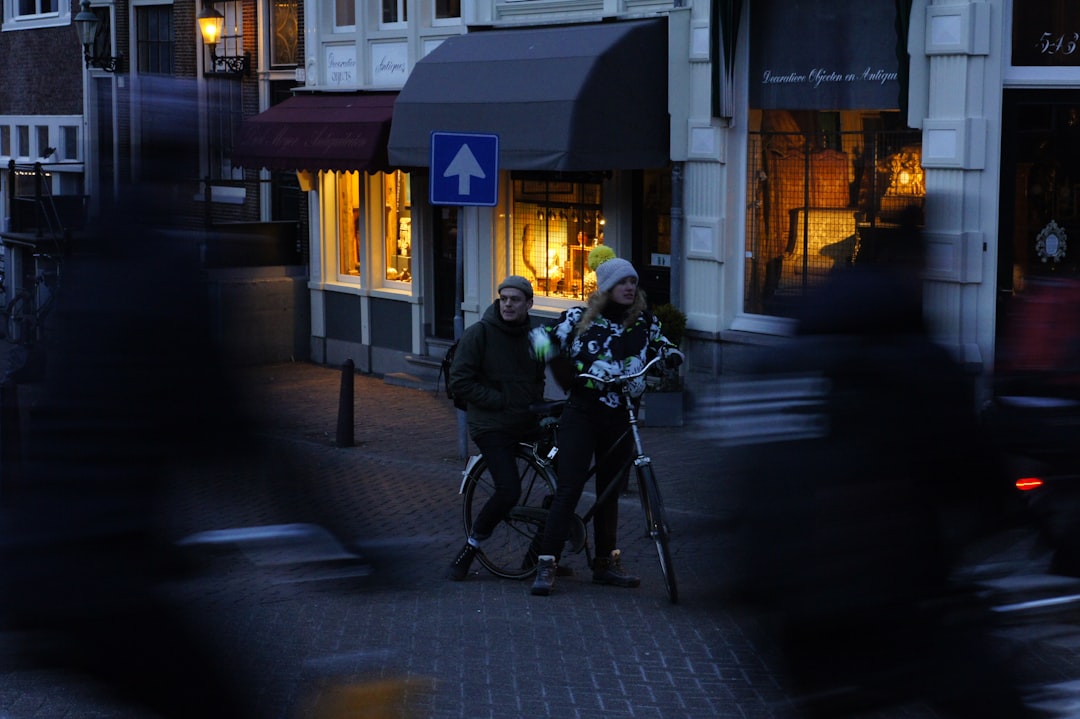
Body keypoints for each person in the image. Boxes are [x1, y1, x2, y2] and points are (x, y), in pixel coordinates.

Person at [527, 247, 683, 596]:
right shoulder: (579, 318)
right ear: (606, 287)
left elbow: (663, 345)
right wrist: (566, 375)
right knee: (569, 489)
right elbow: (538, 340)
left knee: (610, 492)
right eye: (621, 281)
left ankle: (605, 564)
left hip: (622, 415)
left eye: (633, 281)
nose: (629, 287)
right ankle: (546, 562)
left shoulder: (645, 322)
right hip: (582, 413)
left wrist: (670, 356)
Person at [446, 275, 547, 580]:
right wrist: (500, 400)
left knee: (567, 475)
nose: (508, 304)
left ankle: (542, 554)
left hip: (524, 419)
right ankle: (471, 547)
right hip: (491, 424)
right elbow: (459, 382)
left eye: (515, 299)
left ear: (529, 304)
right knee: (508, 490)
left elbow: (550, 368)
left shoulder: (537, 334)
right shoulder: (480, 334)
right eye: (504, 298)